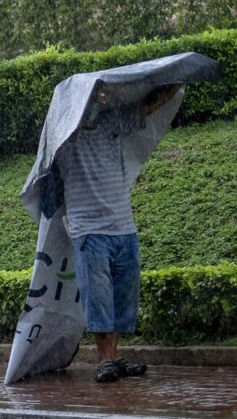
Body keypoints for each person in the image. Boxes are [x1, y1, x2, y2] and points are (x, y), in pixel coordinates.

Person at [54, 83, 181, 383]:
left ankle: (113, 357)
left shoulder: (112, 122)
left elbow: (149, 105)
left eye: (99, 97)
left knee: (123, 297)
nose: (98, 101)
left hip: (123, 226)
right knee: (98, 297)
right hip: (89, 229)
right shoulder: (63, 138)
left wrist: (175, 78)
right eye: (91, 98)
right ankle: (105, 360)